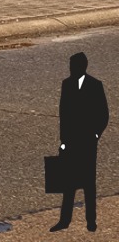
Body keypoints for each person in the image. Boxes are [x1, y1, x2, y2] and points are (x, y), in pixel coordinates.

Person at [58, 51, 109, 232]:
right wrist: (63, 141)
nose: (71, 69)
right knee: (68, 183)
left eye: (74, 66)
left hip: (87, 142)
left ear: (82, 67)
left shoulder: (95, 85)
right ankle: (64, 220)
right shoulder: (67, 84)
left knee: (89, 183)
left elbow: (103, 114)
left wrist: (95, 135)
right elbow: (63, 115)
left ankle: (91, 221)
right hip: (71, 142)